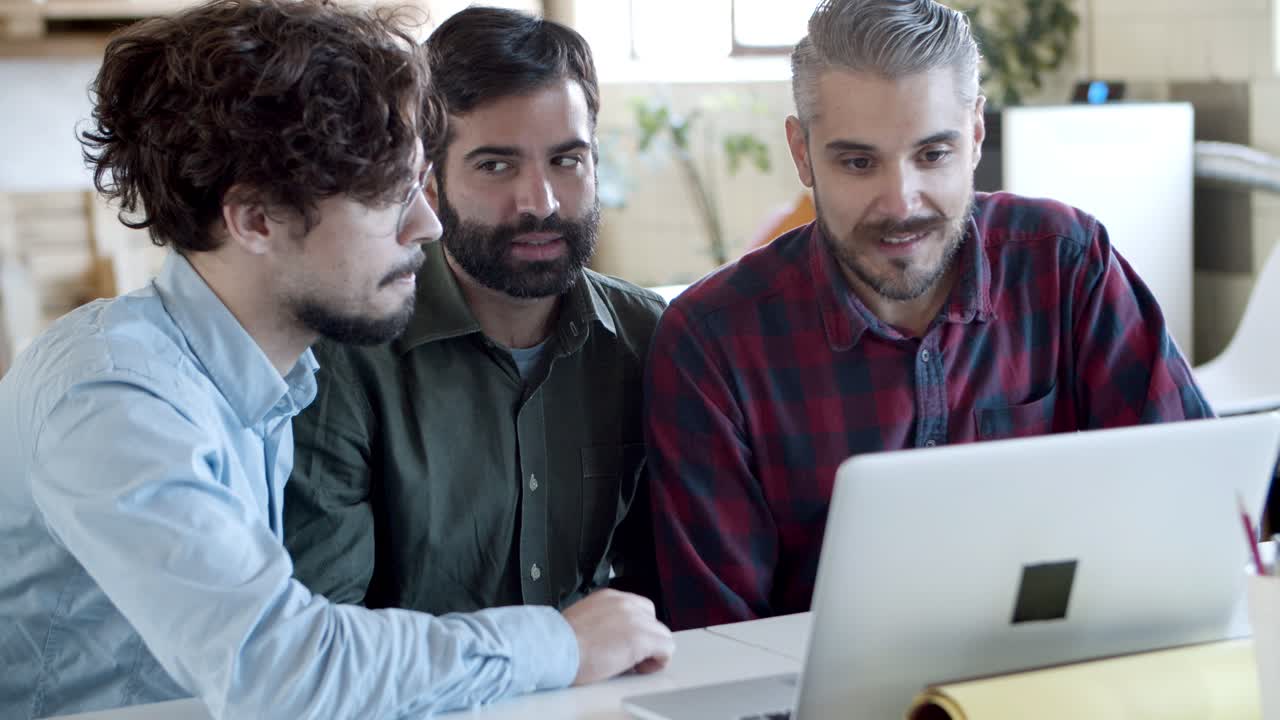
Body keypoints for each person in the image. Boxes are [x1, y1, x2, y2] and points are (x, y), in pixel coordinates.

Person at [0, 2, 671, 719]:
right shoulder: (114, 396)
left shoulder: (263, 382)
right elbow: (286, 672)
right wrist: (559, 644)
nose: (427, 223)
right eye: (387, 196)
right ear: (256, 219)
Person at [644, 0, 1213, 631]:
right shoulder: (712, 343)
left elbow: (1190, 494)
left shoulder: (1066, 262)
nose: (900, 202)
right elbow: (721, 644)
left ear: (974, 134)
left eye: (933, 154)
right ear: (801, 153)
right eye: (858, 162)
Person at [283, 7, 665, 617]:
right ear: (426, 181)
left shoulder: (652, 339)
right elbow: (325, 632)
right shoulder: (345, 358)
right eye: (496, 166)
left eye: (566, 160)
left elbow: (671, 595)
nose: (539, 203)